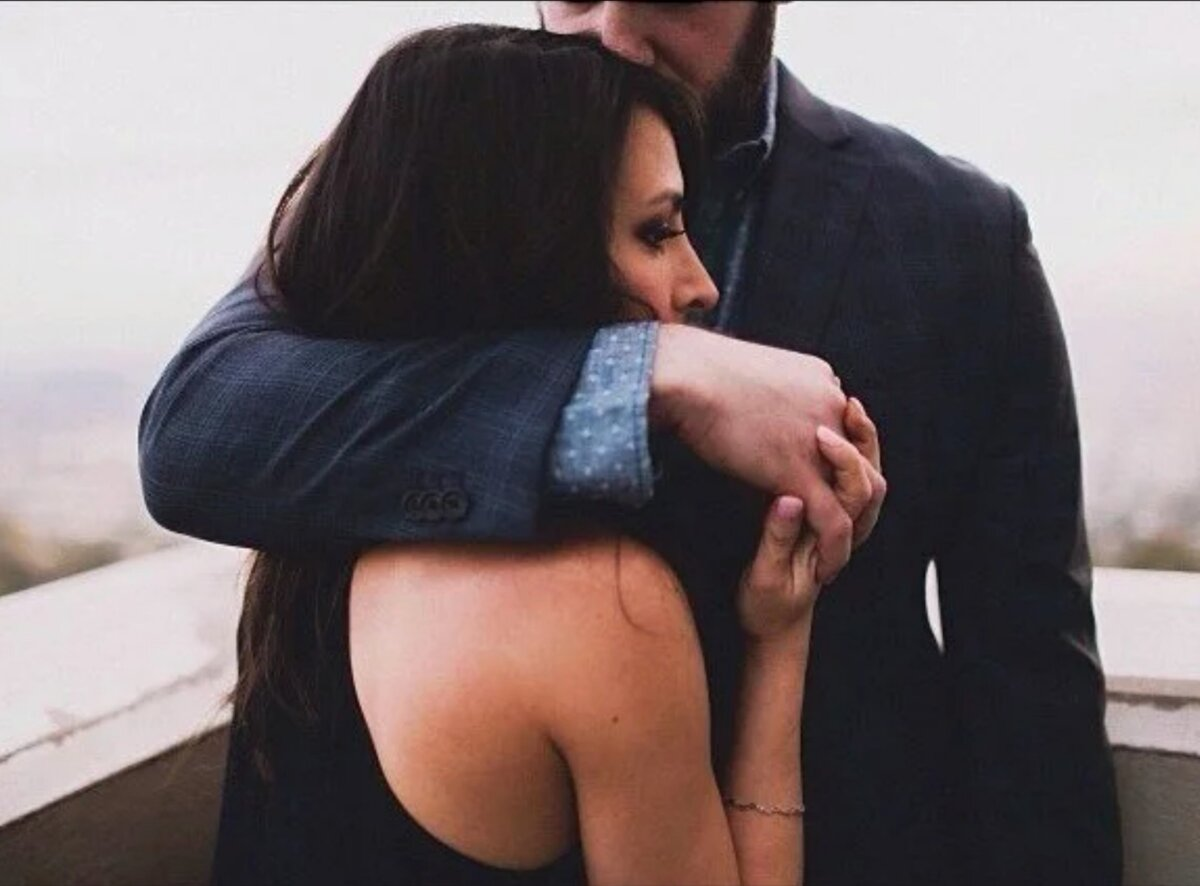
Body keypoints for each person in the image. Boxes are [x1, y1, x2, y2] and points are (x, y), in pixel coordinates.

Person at [139, 3, 1121, 883]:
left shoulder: (959, 234)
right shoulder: (436, 161)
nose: (612, 35)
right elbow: (199, 426)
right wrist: (648, 374)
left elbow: (1030, 679)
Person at [210, 25, 883, 884]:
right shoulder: (601, 609)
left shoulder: (305, 546)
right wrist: (781, 640)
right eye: (657, 232)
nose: (701, 284)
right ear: (526, 250)